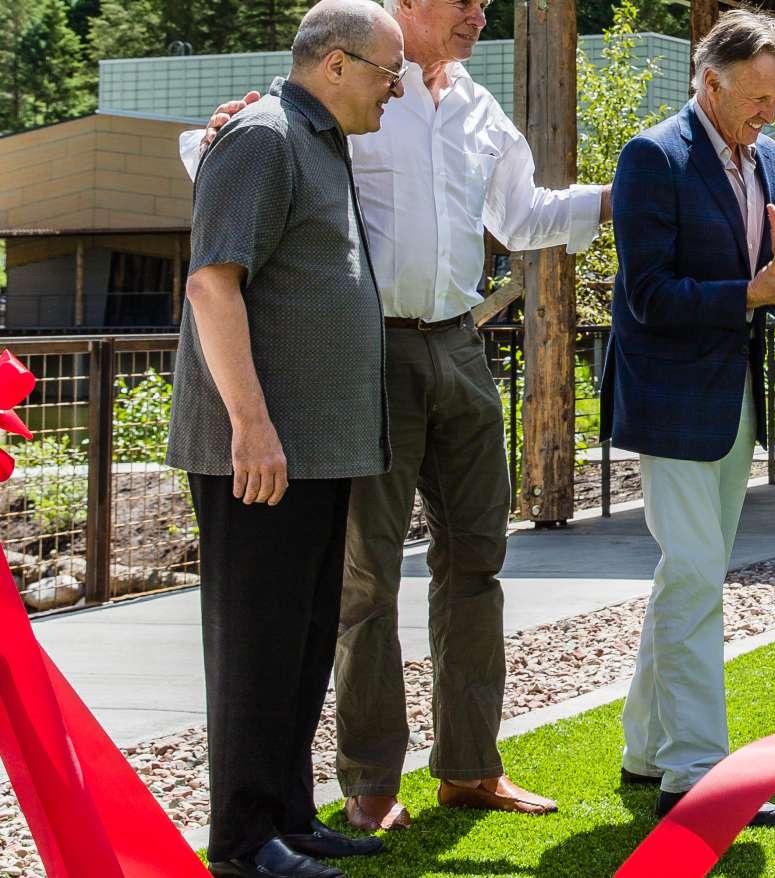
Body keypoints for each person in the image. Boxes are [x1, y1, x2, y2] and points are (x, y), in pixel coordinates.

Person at [179, 0, 610, 830]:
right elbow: (224, 164)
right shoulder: (352, 86)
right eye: (462, 2)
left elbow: (522, 219)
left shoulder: (480, 108)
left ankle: (471, 769)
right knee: (366, 578)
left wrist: (625, 198)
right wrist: (218, 127)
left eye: (487, 4)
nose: (479, 15)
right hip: (362, 355)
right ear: (404, 6)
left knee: (478, 562)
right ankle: (371, 784)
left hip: (461, 342)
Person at [167, 3, 398, 875]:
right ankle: (241, 843)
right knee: (255, 647)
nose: (396, 89)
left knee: (300, 646)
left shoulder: (320, 140)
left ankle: (289, 818)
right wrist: (252, 427)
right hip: (263, 453)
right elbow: (212, 286)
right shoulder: (262, 137)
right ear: (335, 65)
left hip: (316, 450)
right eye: (387, 72)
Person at [606, 9, 775, 825]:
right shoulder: (651, 156)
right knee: (699, 573)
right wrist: (757, 292)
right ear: (709, 84)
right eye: (757, 96)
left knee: (690, 574)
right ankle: (695, 770)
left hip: (735, 397)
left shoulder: (774, 161)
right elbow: (648, 297)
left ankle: (645, 750)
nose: (771, 112)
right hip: (668, 397)